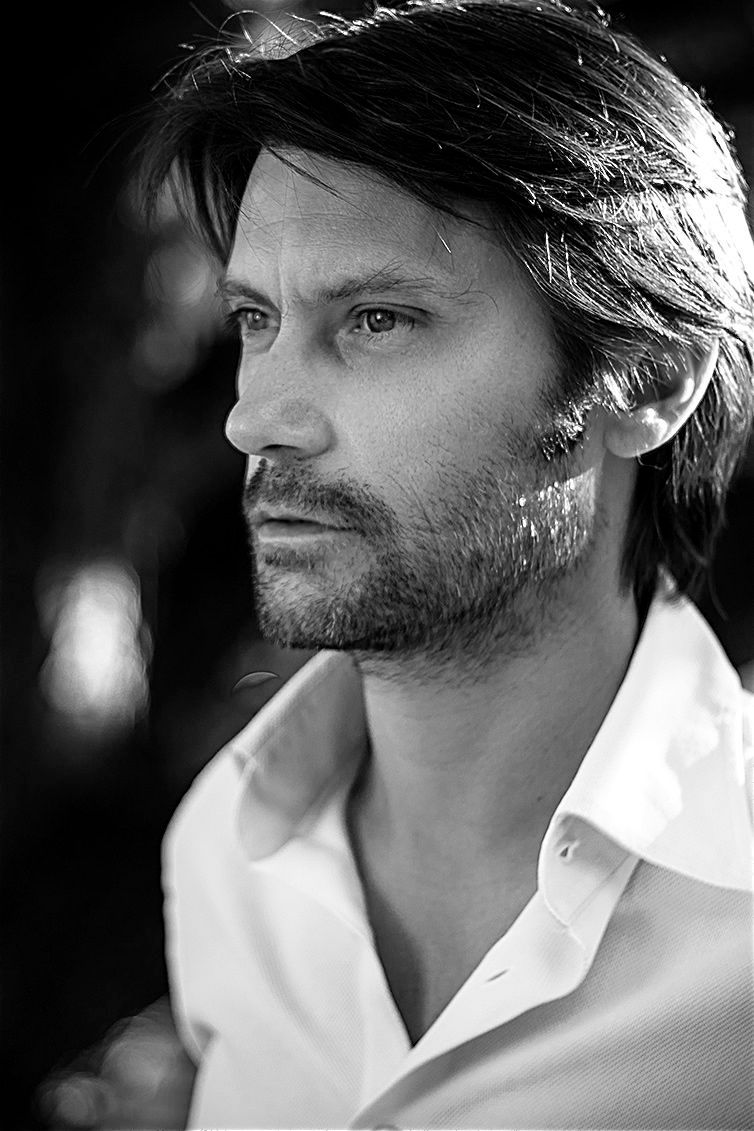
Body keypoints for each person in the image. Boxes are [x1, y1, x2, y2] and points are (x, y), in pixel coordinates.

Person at [138, 1, 754, 1126]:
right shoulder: (224, 852)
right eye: (255, 319)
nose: (255, 419)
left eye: (377, 319)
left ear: (651, 379)